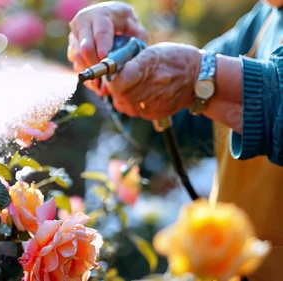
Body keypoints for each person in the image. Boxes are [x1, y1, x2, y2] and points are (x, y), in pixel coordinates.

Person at [67, 1, 283, 281]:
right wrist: (129, 73)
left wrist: (201, 76)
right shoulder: (265, 19)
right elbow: (185, 118)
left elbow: (205, 78)